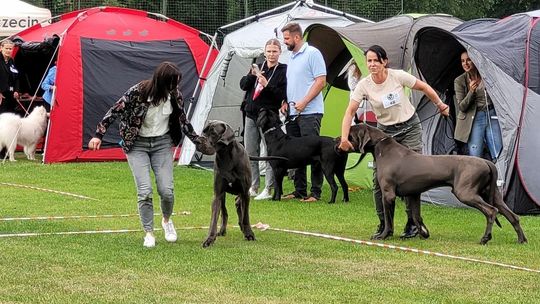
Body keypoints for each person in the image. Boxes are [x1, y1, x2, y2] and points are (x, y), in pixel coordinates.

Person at [338, 45, 450, 239]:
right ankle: (384, 225)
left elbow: (423, 87)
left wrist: (440, 105)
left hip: (410, 128)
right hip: (385, 133)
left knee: (413, 176)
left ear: (384, 61)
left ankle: (412, 224)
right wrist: (344, 138)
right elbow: (349, 112)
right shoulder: (364, 85)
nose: (372, 65)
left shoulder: (397, 76)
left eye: (375, 60)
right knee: (379, 181)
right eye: (369, 61)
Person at [88, 62, 201, 248]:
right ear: (162, 82)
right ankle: (149, 232)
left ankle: (166, 221)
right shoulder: (137, 92)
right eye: (173, 83)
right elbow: (114, 111)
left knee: (166, 190)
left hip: (162, 143)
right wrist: (98, 135)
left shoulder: (175, 96)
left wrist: (198, 142)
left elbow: (183, 121)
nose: (176, 88)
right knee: (145, 191)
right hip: (137, 144)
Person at [281, 22, 327, 202]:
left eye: (286, 38)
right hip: (293, 113)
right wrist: (285, 101)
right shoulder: (291, 57)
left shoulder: (313, 54)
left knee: (313, 153)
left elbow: (320, 81)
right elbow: (293, 83)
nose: (284, 42)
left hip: (310, 112)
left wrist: (304, 101)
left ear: (297, 37)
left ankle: (315, 192)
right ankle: (299, 190)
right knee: (296, 153)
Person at [239, 38, 287, 200]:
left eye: (274, 51)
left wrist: (267, 84)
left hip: (268, 118)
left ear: (280, 52)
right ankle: (253, 185)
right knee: (250, 151)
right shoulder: (259, 67)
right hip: (251, 114)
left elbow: (281, 95)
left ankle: (268, 188)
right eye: (269, 51)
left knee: (269, 152)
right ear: (264, 52)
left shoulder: (283, 71)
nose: (271, 54)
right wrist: (251, 76)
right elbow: (244, 86)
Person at [454, 51, 502, 161]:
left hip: (492, 114)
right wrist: (471, 91)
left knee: (498, 151)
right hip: (475, 117)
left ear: (475, 60)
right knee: (475, 154)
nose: (465, 63)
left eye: (468, 60)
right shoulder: (459, 81)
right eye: (462, 61)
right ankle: (478, 177)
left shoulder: (486, 75)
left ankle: (500, 176)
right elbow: (462, 107)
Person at [0, 39, 20, 114]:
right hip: (1, 95)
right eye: (6, 48)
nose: (8, 50)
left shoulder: (11, 61)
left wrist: (16, 90)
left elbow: (16, 77)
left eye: (10, 49)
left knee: (10, 116)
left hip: (10, 95)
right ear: (1, 48)